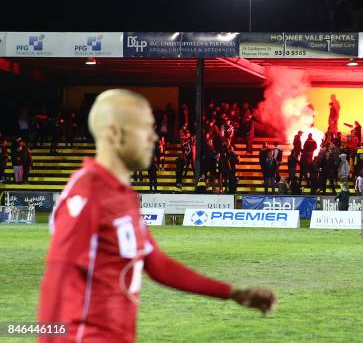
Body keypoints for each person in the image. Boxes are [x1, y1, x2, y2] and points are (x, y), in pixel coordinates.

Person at [38, 90, 276, 342]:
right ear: (113, 133)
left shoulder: (125, 196)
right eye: (144, 128)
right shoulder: (86, 195)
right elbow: (55, 285)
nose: (154, 136)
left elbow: (158, 264)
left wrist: (232, 293)